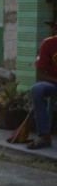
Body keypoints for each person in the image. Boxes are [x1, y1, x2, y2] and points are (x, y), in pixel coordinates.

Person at [28, 20, 57, 149]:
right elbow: (39, 75)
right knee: (37, 89)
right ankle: (45, 136)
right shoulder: (48, 43)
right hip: (54, 84)